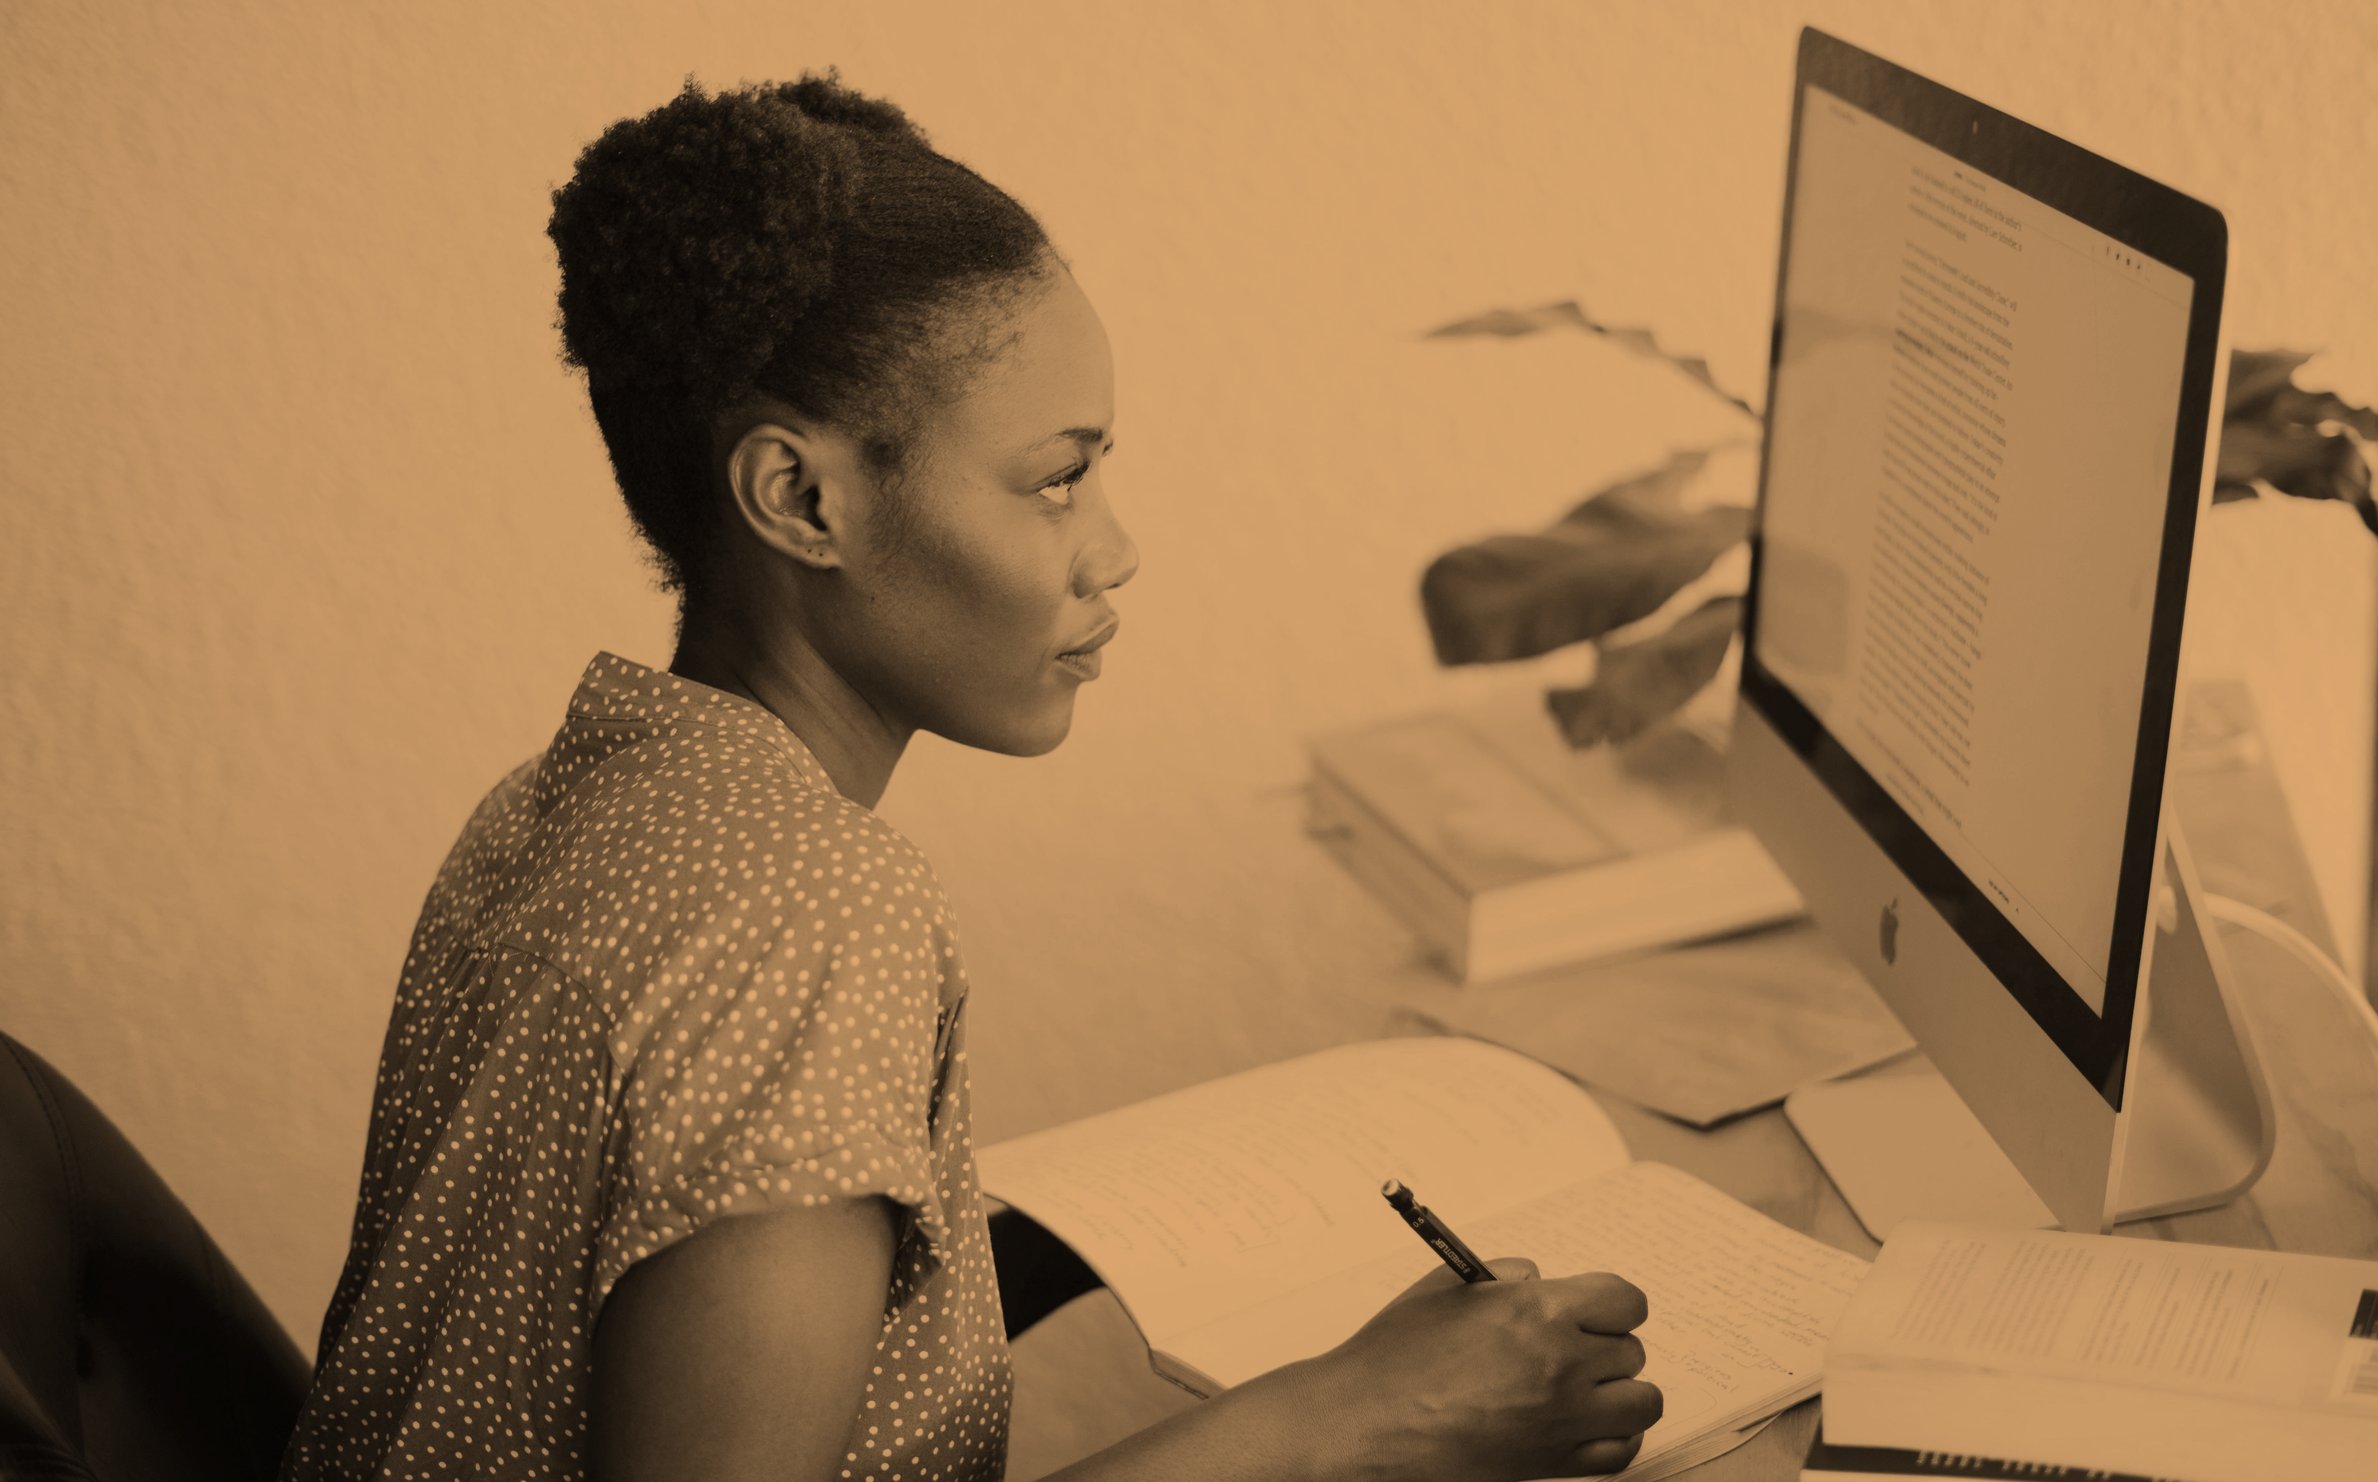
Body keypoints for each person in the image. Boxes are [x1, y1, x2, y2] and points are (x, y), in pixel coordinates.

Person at [283, 71, 1663, 1482]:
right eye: (1056, 478)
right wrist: (1356, 1418)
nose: (1111, 547)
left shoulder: (559, 799)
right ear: (803, 500)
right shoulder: (813, 920)